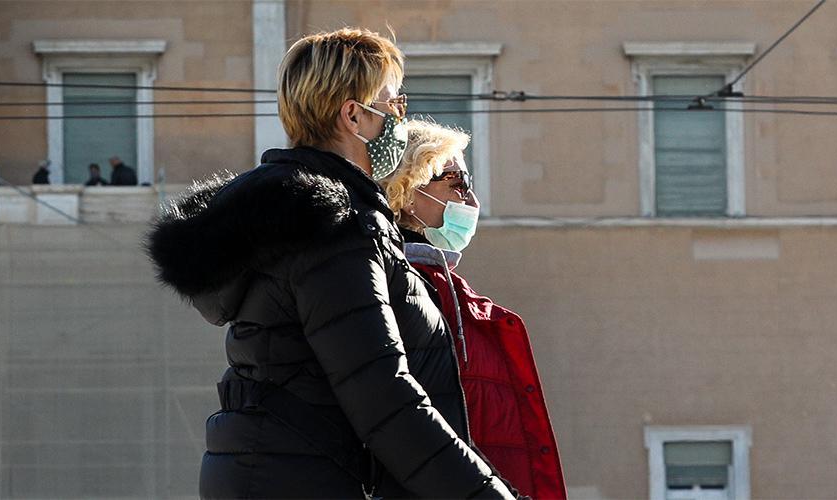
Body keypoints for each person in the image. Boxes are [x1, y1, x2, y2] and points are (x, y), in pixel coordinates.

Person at [146, 28, 515, 499]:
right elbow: (384, 398)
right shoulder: (335, 227)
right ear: (354, 115)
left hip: (275, 474)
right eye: (394, 105)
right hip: (307, 480)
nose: (401, 120)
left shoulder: (295, 217)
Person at [381, 121, 567, 499]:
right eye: (458, 183)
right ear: (409, 190)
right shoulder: (403, 289)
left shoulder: (445, 289)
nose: (471, 201)